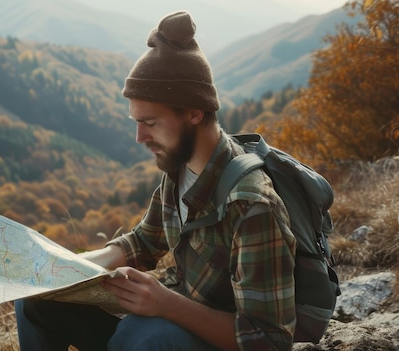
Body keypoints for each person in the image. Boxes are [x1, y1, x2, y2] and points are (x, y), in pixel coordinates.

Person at [15, 10, 297, 351]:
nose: (139, 137)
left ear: (194, 112)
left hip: (212, 337)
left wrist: (166, 305)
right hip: (169, 320)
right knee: (34, 302)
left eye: (149, 122)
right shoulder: (181, 168)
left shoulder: (252, 206)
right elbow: (144, 243)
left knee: (144, 337)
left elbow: (270, 339)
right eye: (136, 121)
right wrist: (65, 270)